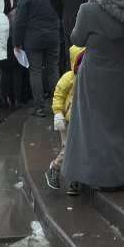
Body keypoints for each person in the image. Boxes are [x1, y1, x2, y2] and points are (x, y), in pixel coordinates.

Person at [61, 0, 124, 191]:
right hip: (122, 74)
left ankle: (83, 176)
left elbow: (77, 39)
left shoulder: (87, 10)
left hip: (92, 75)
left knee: (88, 125)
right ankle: (118, 178)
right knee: (118, 126)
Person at [14, 0, 61, 117]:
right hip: (53, 38)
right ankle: (57, 107)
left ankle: (39, 107)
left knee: (35, 72)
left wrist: (17, 41)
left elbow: (19, 21)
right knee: (53, 70)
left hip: (33, 40)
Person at [46, 45, 85, 196]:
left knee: (78, 149)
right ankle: (54, 168)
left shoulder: (88, 79)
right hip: (68, 121)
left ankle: (73, 178)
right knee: (69, 148)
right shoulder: (68, 77)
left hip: (82, 121)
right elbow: (59, 95)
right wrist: (58, 113)